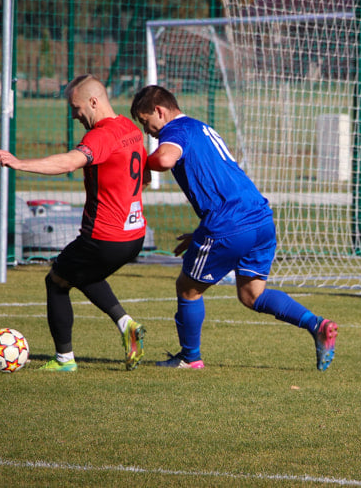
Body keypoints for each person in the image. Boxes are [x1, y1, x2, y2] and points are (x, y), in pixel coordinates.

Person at [130, 84, 338, 371]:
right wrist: (201, 234)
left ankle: (190, 358)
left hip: (228, 223)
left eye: (145, 122)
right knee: (252, 294)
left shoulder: (174, 130)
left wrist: (140, 160)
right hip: (260, 218)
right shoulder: (201, 128)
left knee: (188, 288)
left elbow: (165, 159)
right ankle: (317, 325)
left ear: (159, 111)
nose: (148, 130)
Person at [0, 74, 147, 371]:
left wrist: (18, 163)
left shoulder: (101, 136)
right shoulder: (130, 128)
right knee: (81, 273)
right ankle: (126, 324)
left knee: (56, 281)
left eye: (76, 107)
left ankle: (64, 359)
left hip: (105, 237)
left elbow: (68, 162)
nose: (73, 114)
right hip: (134, 235)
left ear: (93, 101)